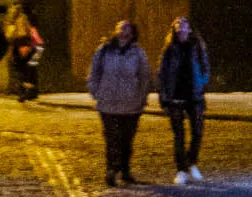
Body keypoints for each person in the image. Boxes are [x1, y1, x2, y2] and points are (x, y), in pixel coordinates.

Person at [87, 20, 152, 187]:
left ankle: (125, 169)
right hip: (108, 103)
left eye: (127, 29)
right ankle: (111, 170)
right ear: (115, 31)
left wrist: (142, 97)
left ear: (132, 33)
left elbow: (144, 76)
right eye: (120, 28)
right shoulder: (104, 51)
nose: (123, 32)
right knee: (111, 138)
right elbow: (94, 72)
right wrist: (95, 92)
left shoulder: (138, 53)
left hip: (131, 104)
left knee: (126, 140)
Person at [157, 16, 210, 185]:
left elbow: (205, 67)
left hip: (194, 96)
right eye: (177, 26)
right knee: (178, 135)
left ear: (189, 29)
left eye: (183, 25)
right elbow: (162, 74)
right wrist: (164, 97)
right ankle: (181, 169)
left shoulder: (197, 47)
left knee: (198, 132)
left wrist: (201, 84)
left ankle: (192, 162)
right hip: (175, 97)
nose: (180, 28)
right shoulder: (169, 49)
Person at [7, 0, 44, 101]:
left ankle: (25, 91)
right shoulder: (32, 13)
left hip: (23, 43)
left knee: (22, 68)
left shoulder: (19, 13)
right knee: (30, 67)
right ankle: (31, 90)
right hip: (33, 44)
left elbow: (13, 28)